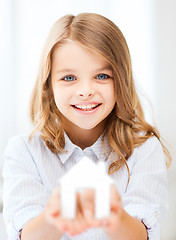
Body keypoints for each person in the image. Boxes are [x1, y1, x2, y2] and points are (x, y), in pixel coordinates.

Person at [3, 13, 171, 240]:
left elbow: (141, 235)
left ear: (120, 81)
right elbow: (26, 234)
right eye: (69, 78)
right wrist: (57, 214)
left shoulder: (144, 149)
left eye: (102, 76)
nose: (85, 90)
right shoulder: (24, 151)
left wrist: (114, 216)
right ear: (49, 85)